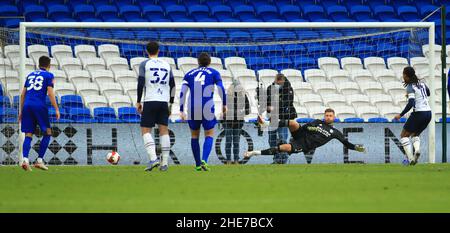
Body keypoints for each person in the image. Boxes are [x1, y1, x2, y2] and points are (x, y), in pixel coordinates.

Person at [244, 108, 366, 158]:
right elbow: (306, 127)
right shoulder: (318, 122)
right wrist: (311, 128)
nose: (328, 117)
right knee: (292, 123)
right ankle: (265, 124)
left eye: (330, 116)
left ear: (334, 117)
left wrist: (357, 148)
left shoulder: (335, 132)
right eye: (326, 115)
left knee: (283, 147)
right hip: (301, 134)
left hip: (304, 145)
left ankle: (254, 153)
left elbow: (346, 143)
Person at [179, 52, 227, 171]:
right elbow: (221, 88)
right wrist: (224, 104)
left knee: (194, 136)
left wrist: (181, 109)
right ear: (209, 62)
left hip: (192, 107)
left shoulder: (189, 74)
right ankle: (205, 160)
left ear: (198, 62)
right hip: (207, 106)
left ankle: (197, 164)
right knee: (209, 135)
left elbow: (183, 92)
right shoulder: (214, 73)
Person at [136, 41, 175, 172]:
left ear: (147, 51)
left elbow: (141, 83)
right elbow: (173, 85)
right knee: (164, 130)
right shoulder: (166, 64)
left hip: (150, 100)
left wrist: (138, 101)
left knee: (145, 130)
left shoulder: (144, 64)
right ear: (158, 50)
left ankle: (153, 159)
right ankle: (165, 163)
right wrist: (171, 103)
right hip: (163, 101)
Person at [18, 55, 60, 171]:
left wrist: (21, 111)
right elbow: (50, 93)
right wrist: (56, 109)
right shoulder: (49, 75)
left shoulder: (30, 75)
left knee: (28, 134)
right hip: (39, 106)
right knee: (47, 133)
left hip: (27, 105)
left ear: (38, 64)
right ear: (49, 66)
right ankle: (39, 160)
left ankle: (25, 160)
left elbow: (22, 94)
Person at [394, 66, 431, 165]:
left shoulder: (410, 86)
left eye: (403, 74)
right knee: (415, 134)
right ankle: (417, 150)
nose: (403, 77)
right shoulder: (422, 83)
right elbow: (428, 93)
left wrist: (400, 115)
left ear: (406, 76)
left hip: (419, 113)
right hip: (428, 113)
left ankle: (411, 159)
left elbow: (410, 103)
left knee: (403, 136)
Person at [265, 73, 297, 164]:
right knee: (272, 139)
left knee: (283, 138)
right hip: (273, 118)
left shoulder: (288, 89)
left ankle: (283, 160)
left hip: (283, 117)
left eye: (280, 82)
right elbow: (266, 102)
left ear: (283, 80)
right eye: (277, 82)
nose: (278, 84)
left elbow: (287, 103)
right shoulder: (270, 88)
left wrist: (274, 107)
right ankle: (276, 158)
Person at [222, 78, 250, 164]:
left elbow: (247, 109)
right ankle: (232, 160)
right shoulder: (230, 96)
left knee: (232, 141)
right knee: (232, 141)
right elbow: (247, 110)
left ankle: (231, 160)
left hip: (235, 121)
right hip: (232, 121)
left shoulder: (240, 96)